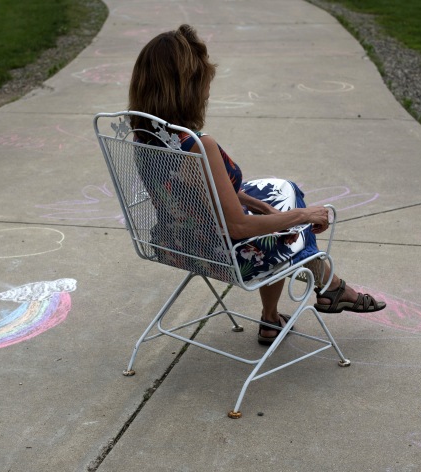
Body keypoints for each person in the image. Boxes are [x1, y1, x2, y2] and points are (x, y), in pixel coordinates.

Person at [128, 24, 385, 346]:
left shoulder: (144, 135)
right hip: (225, 256)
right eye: (206, 80)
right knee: (292, 207)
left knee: (279, 189)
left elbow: (185, 192)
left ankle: (291, 308)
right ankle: (325, 290)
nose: (209, 89)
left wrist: (251, 200)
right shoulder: (198, 145)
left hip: (177, 244)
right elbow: (237, 228)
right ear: (190, 86)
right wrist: (305, 216)